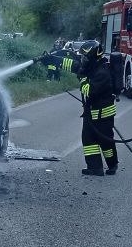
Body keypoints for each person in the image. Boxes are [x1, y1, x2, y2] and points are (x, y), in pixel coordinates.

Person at [37, 40, 119, 175]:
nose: (83, 59)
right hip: (92, 112)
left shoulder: (102, 73)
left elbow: (89, 90)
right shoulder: (93, 66)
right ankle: (95, 167)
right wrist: (50, 59)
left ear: (93, 57)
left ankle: (112, 164)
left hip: (102, 115)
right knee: (88, 139)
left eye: (85, 57)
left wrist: (82, 78)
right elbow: (72, 65)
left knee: (105, 141)